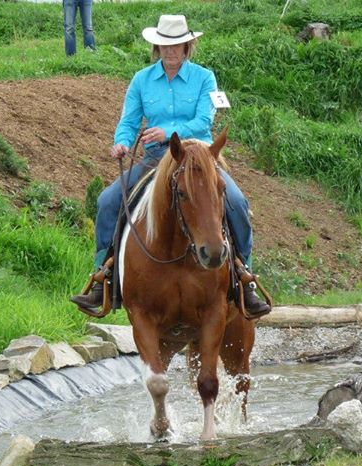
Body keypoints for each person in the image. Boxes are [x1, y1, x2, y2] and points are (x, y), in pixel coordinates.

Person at [71, 14, 270, 317]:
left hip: (198, 157)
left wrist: (168, 130)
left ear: (188, 45)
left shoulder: (205, 77)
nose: (170, 51)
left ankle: (245, 278)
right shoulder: (142, 80)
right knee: (109, 200)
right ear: (156, 46)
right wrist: (122, 142)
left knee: (238, 203)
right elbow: (128, 120)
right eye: (164, 45)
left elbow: (203, 121)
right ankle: (104, 276)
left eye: (176, 45)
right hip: (155, 159)